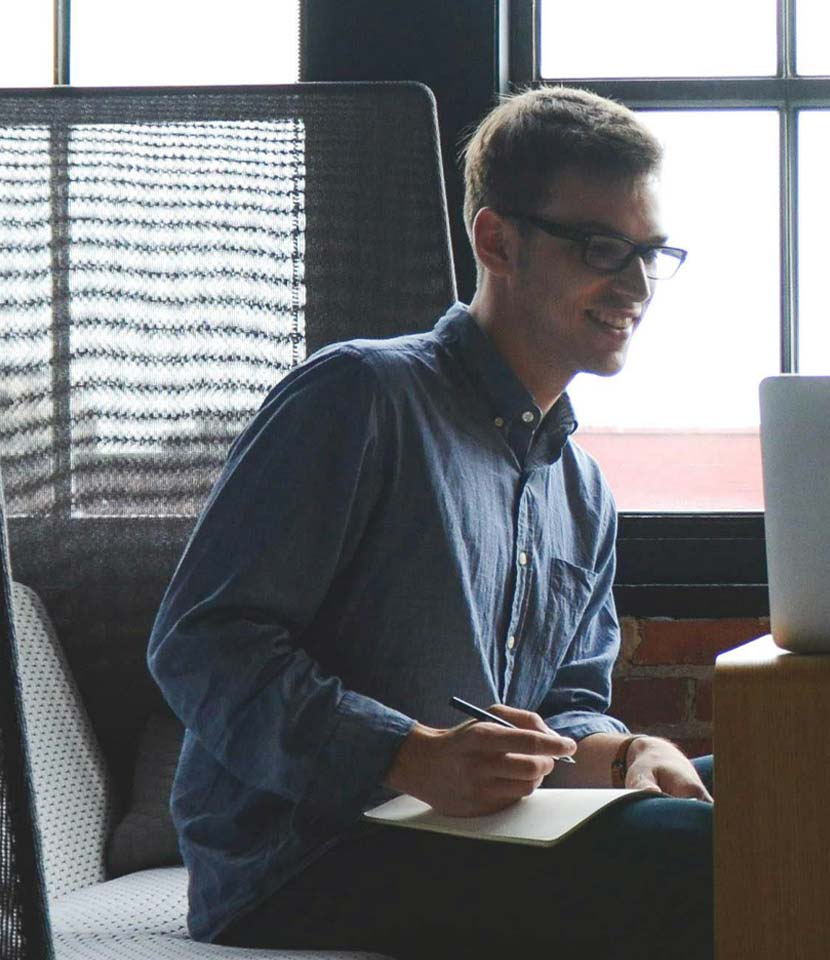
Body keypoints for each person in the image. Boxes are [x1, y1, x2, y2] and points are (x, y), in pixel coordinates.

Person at [147, 86, 714, 959]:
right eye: (604, 248)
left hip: (487, 835)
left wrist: (623, 750)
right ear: (497, 240)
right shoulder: (359, 398)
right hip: (308, 862)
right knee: (724, 857)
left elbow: (568, 704)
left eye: (651, 252)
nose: (636, 284)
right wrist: (404, 755)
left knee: (777, 802)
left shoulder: (582, 489)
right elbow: (200, 643)